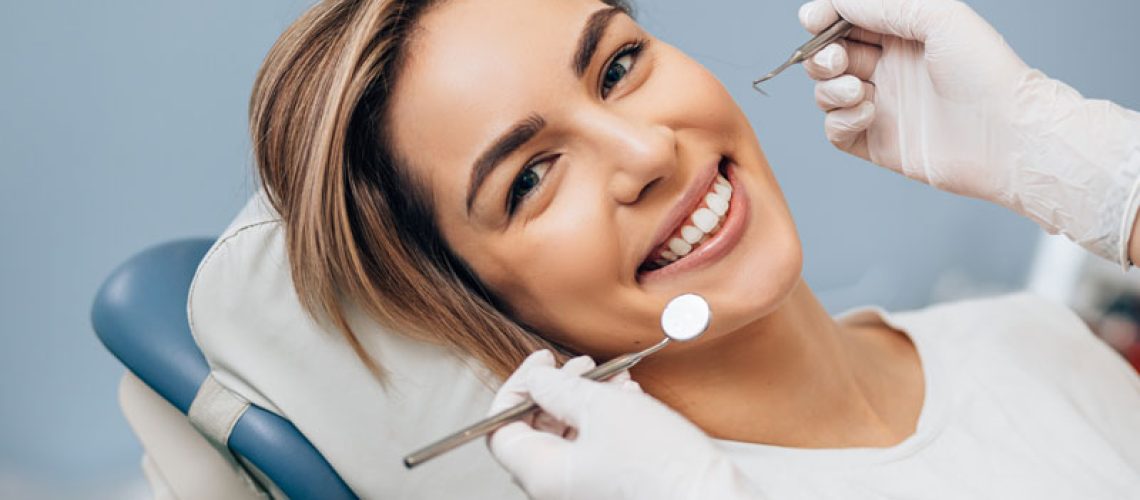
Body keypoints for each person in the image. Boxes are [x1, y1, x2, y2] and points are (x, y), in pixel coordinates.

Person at [246, 0, 1140, 498]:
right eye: (528, 178)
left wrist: (1102, 182)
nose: (645, 153)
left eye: (618, 67)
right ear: (472, 296)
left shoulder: (1030, 339)